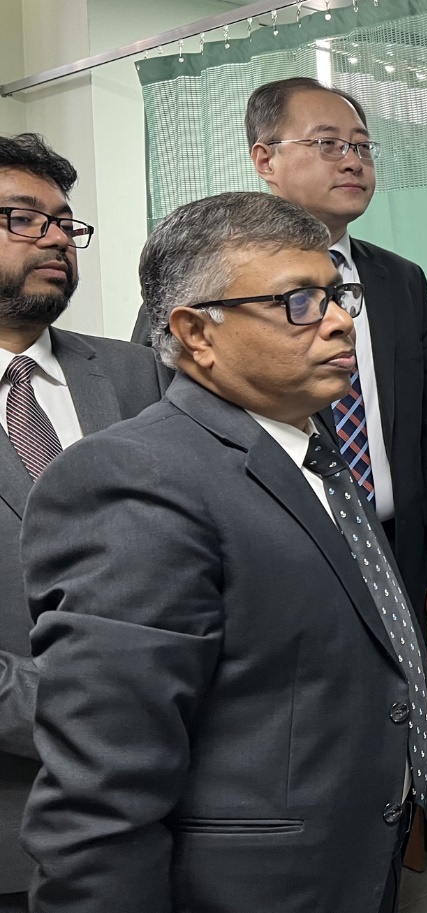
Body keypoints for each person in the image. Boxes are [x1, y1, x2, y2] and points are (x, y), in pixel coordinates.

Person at [22, 192, 425, 913]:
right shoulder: (136, 477)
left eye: (338, 295)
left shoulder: (319, 456)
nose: (339, 321)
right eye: (298, 302)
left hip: (351, 866)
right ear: (196, 333)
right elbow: (102, 795)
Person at [133, 77, 427, 663]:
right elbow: (164, 425)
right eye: (328, 144)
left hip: (398, 549)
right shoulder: (206, 279)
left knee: (406, 709)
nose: (352, 161)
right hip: (276, 548)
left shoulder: (401, 280)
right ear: (265, 159)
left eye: (362, 146)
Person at [0, 134, 167, 912]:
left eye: (66, 223)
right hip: (12, 807)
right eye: (24, 218)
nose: (57, 238)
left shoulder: (137, 373)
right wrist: (94, 706)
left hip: (159, 793)